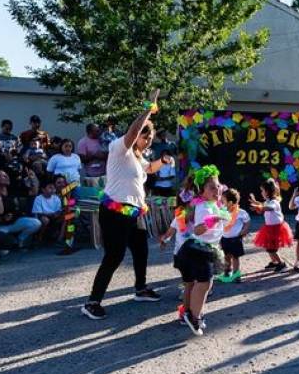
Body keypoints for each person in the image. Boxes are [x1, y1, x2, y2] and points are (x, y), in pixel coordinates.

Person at [82, 92, 174, 321]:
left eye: (151, 137)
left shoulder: (137, 156)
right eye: (147, 136)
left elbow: (148, 169)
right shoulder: (119, 148)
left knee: (141, 249)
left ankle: (140, 289)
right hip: (114, 212)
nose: (149, 140)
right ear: (136, 135)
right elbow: (132, 132)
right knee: (114, 256)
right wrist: (148, 108)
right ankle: (93, 302)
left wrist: (162, 162)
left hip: (133, 212)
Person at [175, 165, 229, 335]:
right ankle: (194, 317)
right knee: (205, 283)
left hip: (198, 249)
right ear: (202, 191)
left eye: (218, 186)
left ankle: (188, 313)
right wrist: (213, 220)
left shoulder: (212, 204)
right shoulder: (205, 207)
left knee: (192, 283)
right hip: (199, 250)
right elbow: (198, 229)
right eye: (212, 187)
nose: (217, 190)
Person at [250, 178, 293, 272]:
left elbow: (270, 208)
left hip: (276, 229)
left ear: (268, 191)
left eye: (262, 191)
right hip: (269, 228)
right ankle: (274, 262)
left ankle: (282, 264)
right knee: (268, 247)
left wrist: (259, 206)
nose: (261, 193)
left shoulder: (274, 202)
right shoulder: (267, 201)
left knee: (271, 249)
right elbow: (263, 205)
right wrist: (255, 202)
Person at [218, 188, 250, 282]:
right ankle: (227, 271)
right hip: (225, 238)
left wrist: (244, 230)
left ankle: (236, 274)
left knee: (235, 257)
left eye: (223, 200)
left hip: (236, 239)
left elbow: (247, 221)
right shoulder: (222, 211)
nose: (221, 201)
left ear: (230, 202)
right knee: (226, 256)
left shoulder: (241, 212)